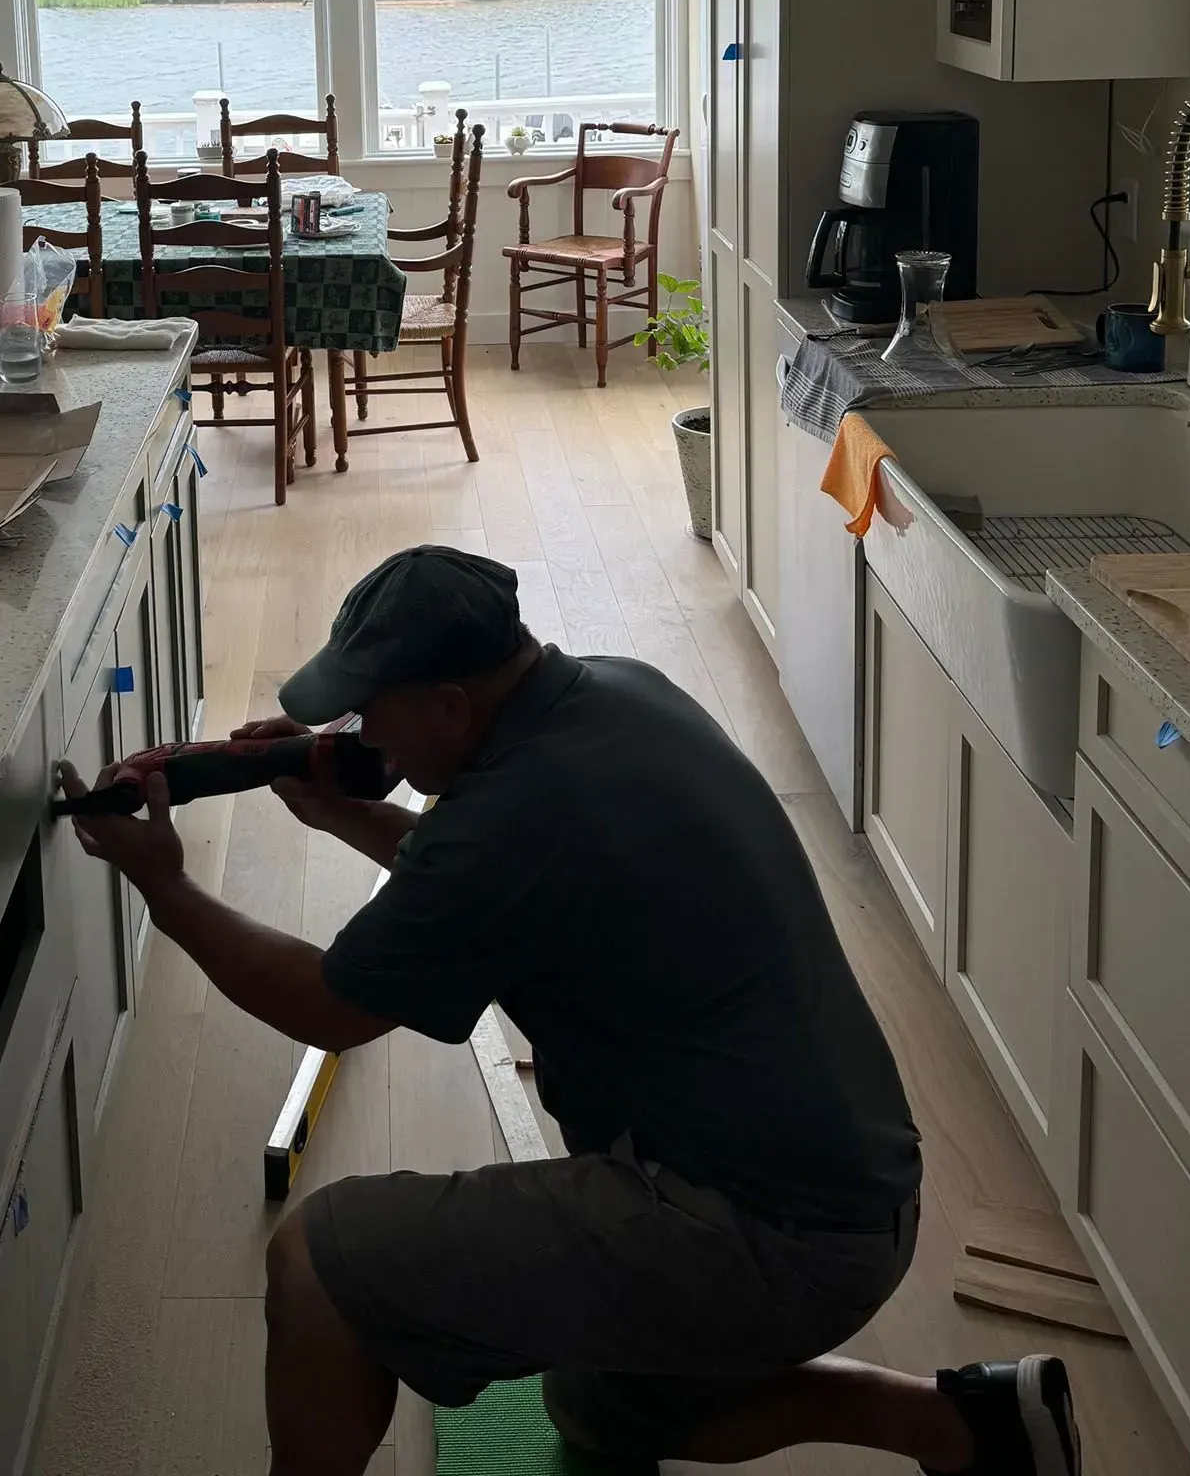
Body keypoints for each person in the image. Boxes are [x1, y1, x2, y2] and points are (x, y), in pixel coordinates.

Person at [56, 545, 1081, 1476]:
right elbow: (487, 884)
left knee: (323, 1264)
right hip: (855, 1192)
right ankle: (963, 1423)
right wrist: (341, 807)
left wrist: (167, 887)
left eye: (374, 709)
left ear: (453, 707)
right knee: (601, 1406)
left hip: (761, 1230)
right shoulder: (616, 695)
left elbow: (330, 1006)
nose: (359, 733)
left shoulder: (510, 816)